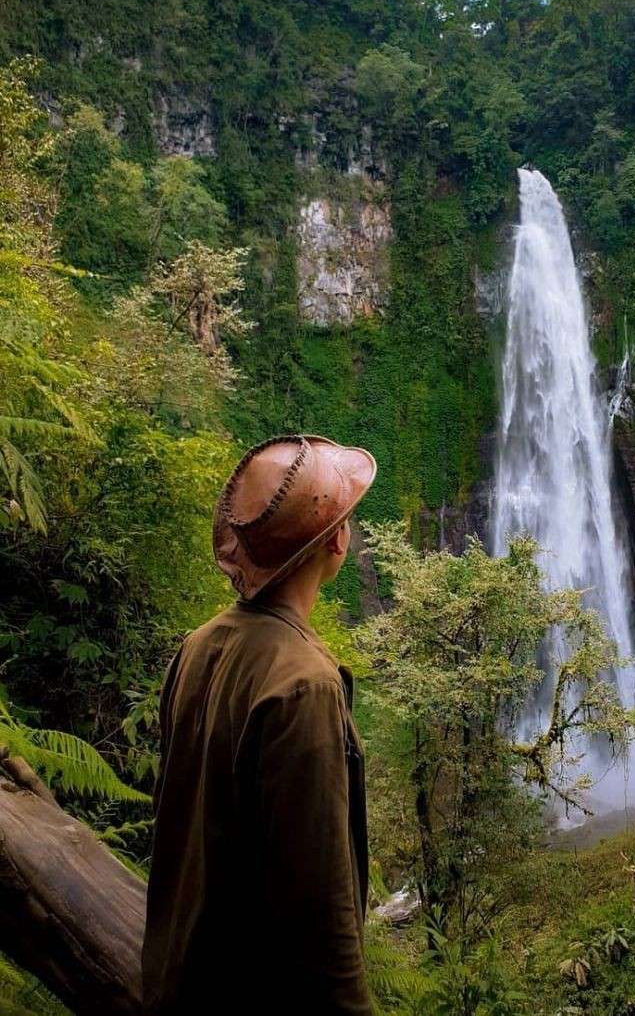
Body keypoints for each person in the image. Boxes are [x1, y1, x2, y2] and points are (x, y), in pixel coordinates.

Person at [142, 434, 377, 1016]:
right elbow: (323, 919)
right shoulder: (305, 687)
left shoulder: (197, 647)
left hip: (180, 979)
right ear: (337, 540)